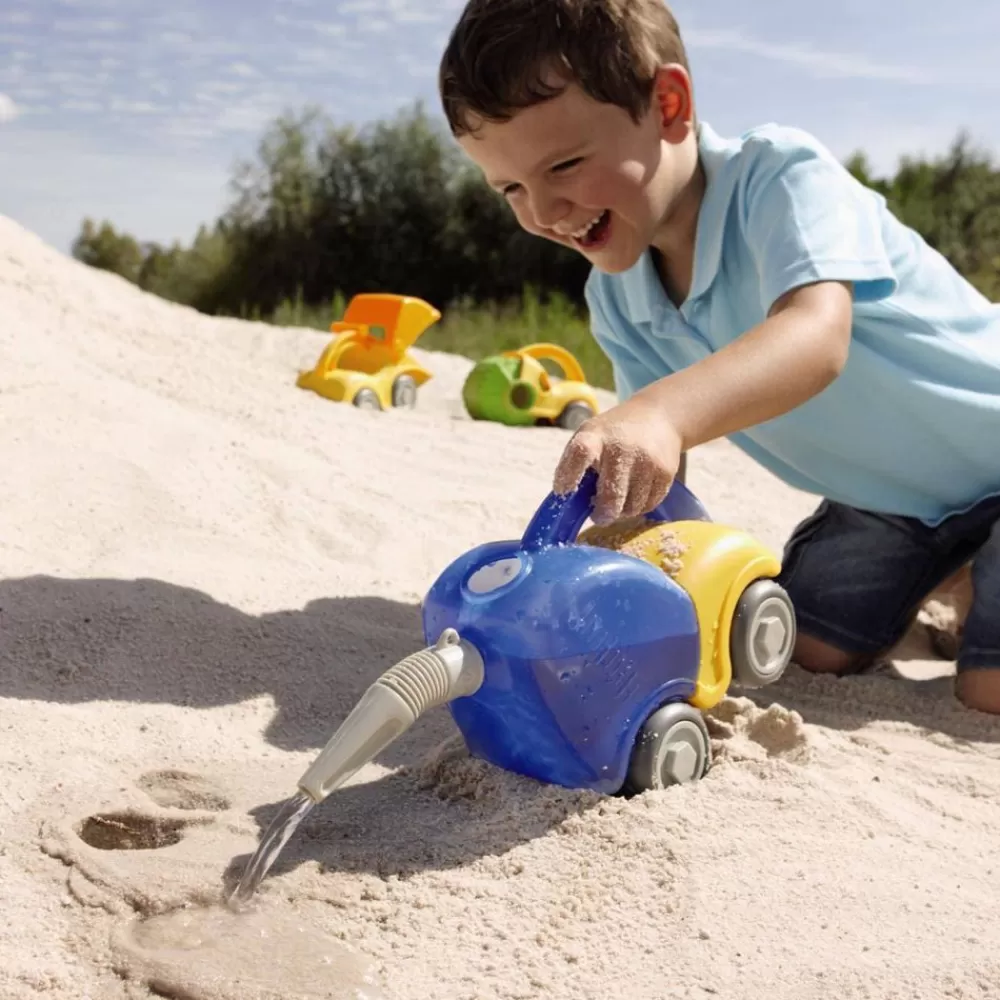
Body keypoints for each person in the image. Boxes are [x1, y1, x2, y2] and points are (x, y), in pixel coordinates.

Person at [437, 0, 1000, 715]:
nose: (543, 212)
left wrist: (660, 414)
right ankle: (964, 570)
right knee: (807, 646)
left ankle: (976, 579)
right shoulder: (618, 295)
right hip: (896, 503)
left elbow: (815, 338)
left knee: (988, 689)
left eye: (566, 165)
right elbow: (663, 487)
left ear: (668, 105)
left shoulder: (779, 179)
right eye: (510, 188)